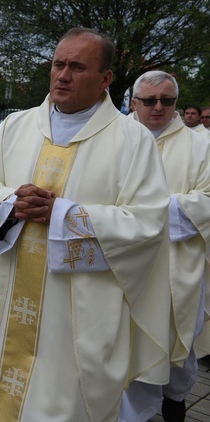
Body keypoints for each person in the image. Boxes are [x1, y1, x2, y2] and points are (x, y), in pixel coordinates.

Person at [0, 27, 171, 421]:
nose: (62, 75)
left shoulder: (132, 140)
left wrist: (63, 215)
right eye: (58, 64)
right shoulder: (15, 127)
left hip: (77, 314)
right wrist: (11, 203)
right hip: (9, 301)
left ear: (105, 79)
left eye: (77, 67)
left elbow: (148, 222)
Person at [121, 71, 210, 422]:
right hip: (123, 268)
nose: (159, 107)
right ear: (133, 103)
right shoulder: (113, 139)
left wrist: (145, 213)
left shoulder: (200, 146)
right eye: (149, 100)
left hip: (175, 272)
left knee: (174, 353)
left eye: (168, 100)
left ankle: (173, 405)